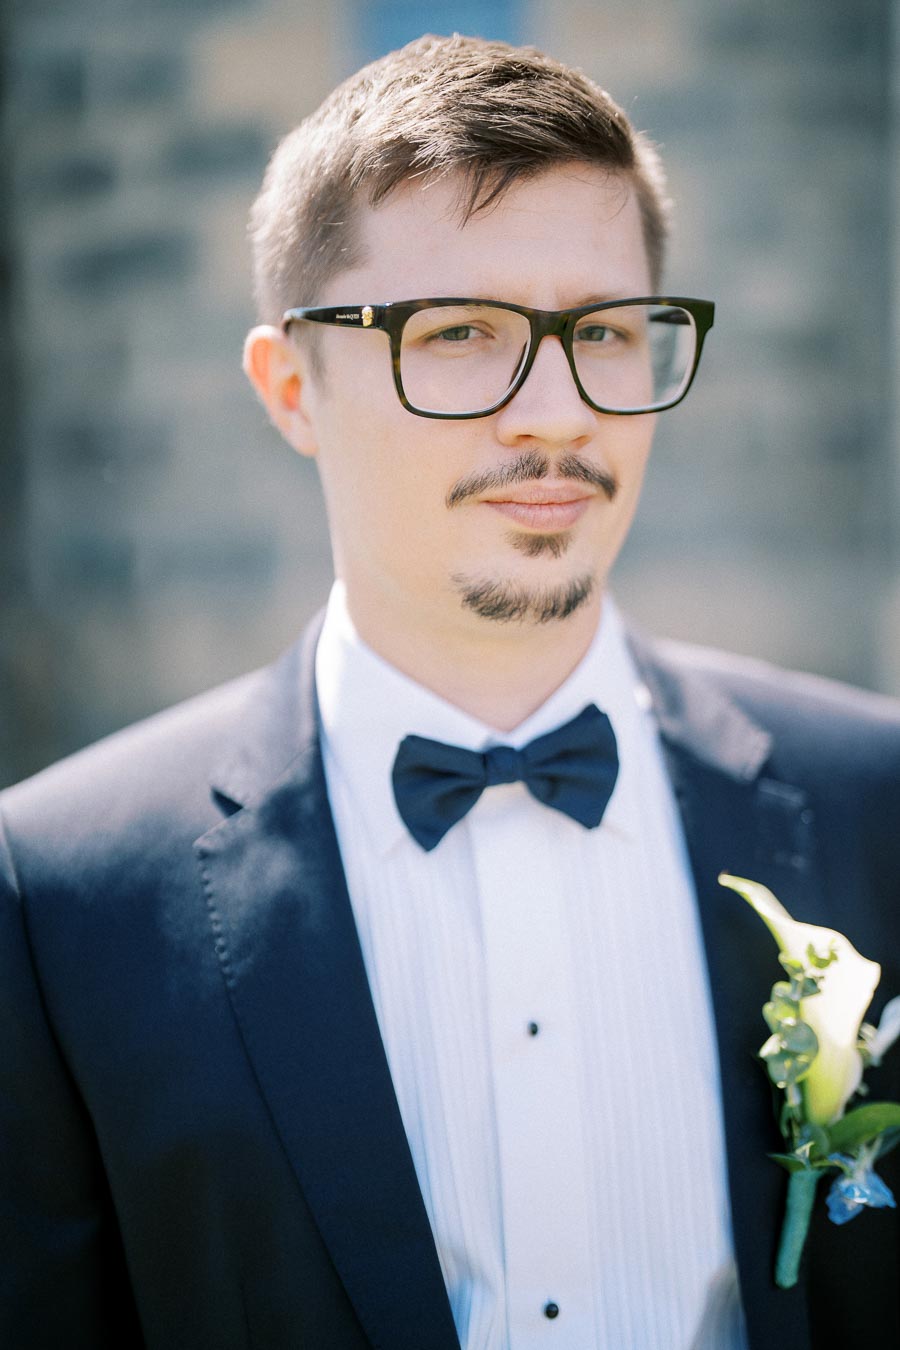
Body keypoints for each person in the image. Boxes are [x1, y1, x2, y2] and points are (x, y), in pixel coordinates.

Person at [1, 33, 898, 1350]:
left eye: (603, 331)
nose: (556, 411)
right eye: (462, 334)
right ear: (290, 385)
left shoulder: (876, 800)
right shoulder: (56, 893)